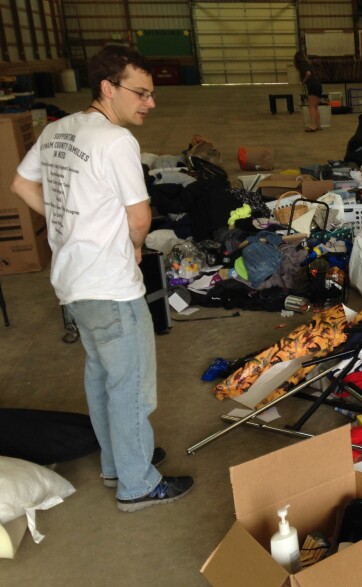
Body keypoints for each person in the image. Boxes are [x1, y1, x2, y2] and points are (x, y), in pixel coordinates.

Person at [11, 45, 194, 512]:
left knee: (102, 376)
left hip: (72, 281)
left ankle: (117, 464)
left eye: (152, 94)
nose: (149, 104)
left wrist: (68, 226)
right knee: (130, 386)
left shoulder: (57, 130)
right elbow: (139, 215)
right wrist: (134, 247)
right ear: (108, 88)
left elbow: (21, 184)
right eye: (140, 93)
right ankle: (138, 484)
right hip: (110, 285)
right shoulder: (115, 141)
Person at [295, 50, 322, 132]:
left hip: (312, 86)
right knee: (315, 107)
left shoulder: (301, 64)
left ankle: (313, 125)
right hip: (318, 85)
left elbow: (308, 73)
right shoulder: (308, 64)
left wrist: (303, 81)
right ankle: (318, 125)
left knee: (311, 107)